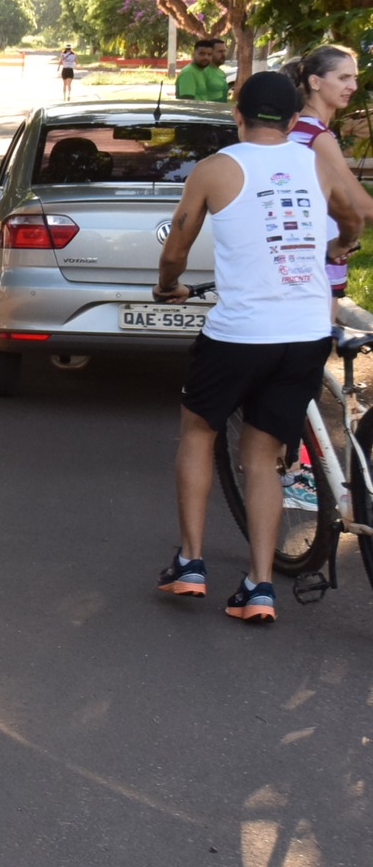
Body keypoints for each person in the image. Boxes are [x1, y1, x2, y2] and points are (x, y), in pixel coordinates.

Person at [153, 71, 367, 623]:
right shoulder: (317, 163)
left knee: (199, 429)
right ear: (295, 121)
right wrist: (342, 246)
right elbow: (351, 213)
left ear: (237, 115)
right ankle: (260, 586)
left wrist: (166, 286)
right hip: (305, 335)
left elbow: (177, 247)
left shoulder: (216, 169)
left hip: (240, 334)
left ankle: (192, 564)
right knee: (263, 457)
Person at [284, 45, 373, 318]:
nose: (353, 86)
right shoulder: (315, 135)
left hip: (297, 257)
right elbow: (360, 206)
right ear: (315, 82)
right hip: (317, 260)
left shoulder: (296, 127)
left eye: (354, 78)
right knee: (311, 350)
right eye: (344, 78)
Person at [175, 38, 230, 103]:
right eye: (202, 54)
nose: (206, 57)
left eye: (209, 54)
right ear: (193, 54)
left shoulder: (200, 71)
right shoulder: (189, 72)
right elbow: (188, 103)